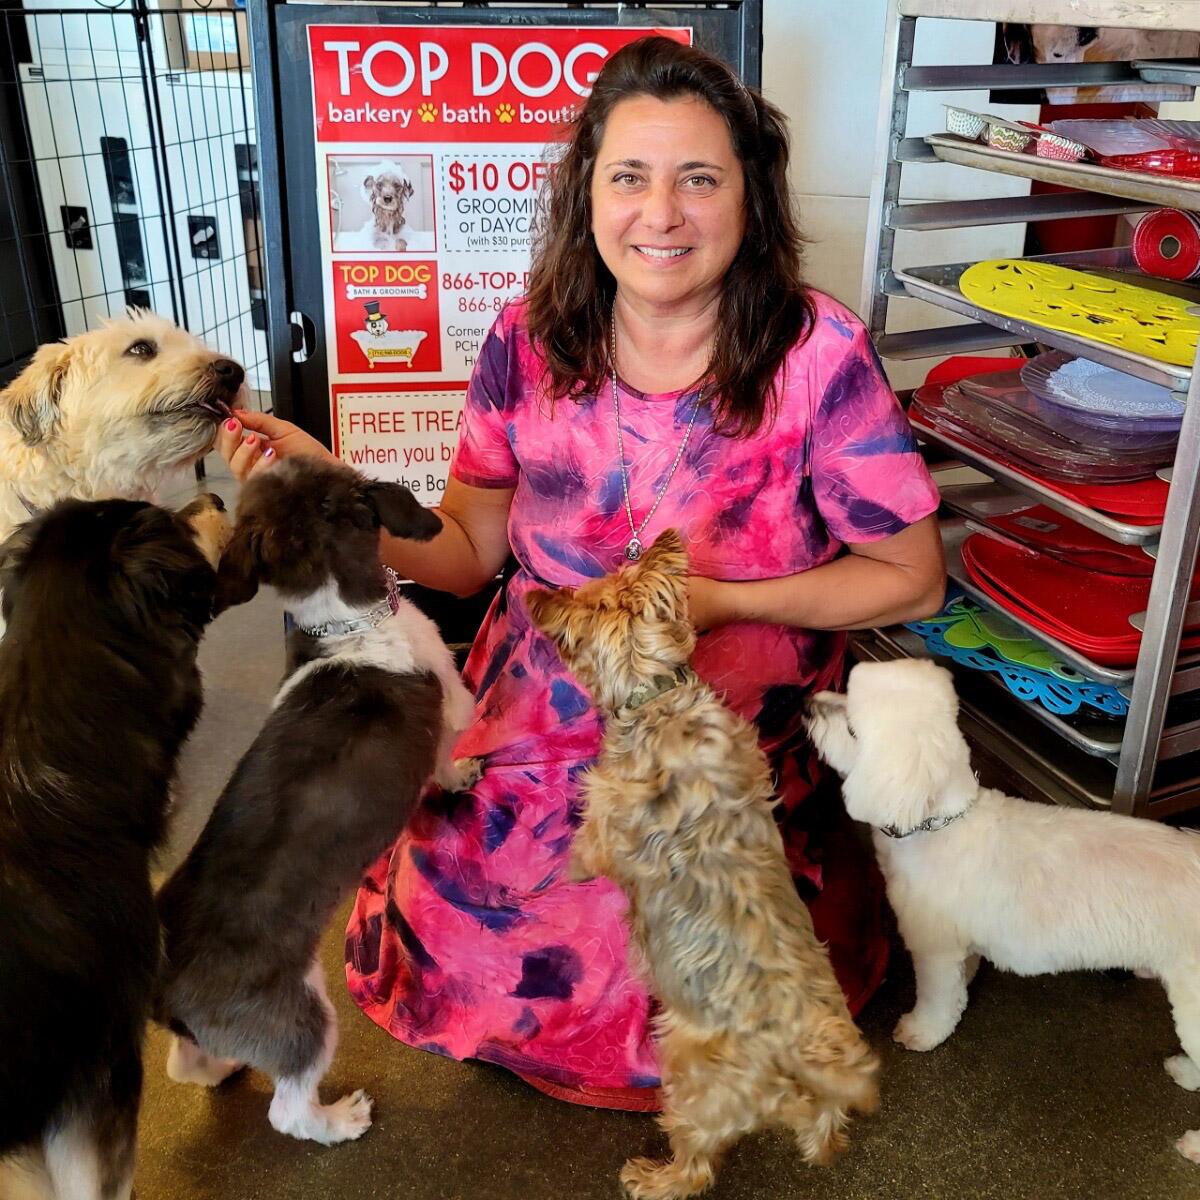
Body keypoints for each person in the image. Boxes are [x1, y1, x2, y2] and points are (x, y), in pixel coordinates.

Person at [217, 36, 945, 1111]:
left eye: (700, 178)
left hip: (722, 730)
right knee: (486, 900)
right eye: (630, 177)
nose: (662, 214)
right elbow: (468, 555)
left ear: (750, 197)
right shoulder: (528, 340)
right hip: (541, 706)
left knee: (677, 931)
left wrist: (721, 604)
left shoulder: (814, 354)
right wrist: (332, 485)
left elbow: (913, 577)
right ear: (587, 194)